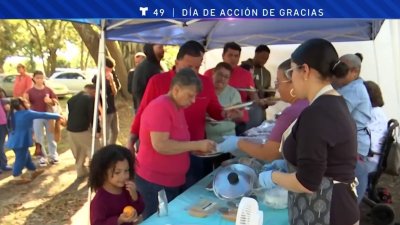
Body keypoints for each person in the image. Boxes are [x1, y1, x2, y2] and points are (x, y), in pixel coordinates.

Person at [258, 38, 359, 225]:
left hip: (329, 213)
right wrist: (286, 166)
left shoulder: (317, 113)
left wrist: (272, 177)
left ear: (304, 70)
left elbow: (306, 182)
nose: (291, 78)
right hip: (341, 206)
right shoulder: (334, 102)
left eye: (292, 71)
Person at [127, 40, 240, 185]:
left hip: (196, 150)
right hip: (164, 158)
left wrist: (227, 114)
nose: (193, 71)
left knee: (191, 192)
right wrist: (131, 140)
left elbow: (215, 110)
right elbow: (142, 113)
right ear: (177, 62)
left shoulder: (204, 83)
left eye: (197, 67)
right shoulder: (158, 82)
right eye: (189, 66)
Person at [134, 68, 216, 219]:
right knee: (158, 221)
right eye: (190, 96)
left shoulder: (176, 107)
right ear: (176, 90)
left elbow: (178, 142)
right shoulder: (160, 107)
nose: (193, 101)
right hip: (155, 183)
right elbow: (161, 145)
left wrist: (193, 150)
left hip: (170, 181)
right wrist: (196, 145)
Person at [217, 59, 309, 161]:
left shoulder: (290, 113)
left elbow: (268, 154)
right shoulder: (311, 102)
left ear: (293, 82)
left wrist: (237, 143)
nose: (276, 87)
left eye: (278, 82)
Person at [333, 53, 372, 203]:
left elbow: (335, 114)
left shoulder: (354, 90)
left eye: (342, 69)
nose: (338, 72)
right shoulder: (349, 85)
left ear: (354, 71)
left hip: (354, 146)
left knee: (348, 190)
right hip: (352, 142)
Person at [6, 97, 61, 184]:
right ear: (21, 105)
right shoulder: (27, 113)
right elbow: (43, 115)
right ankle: (17, 176)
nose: (28, 103)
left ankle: (33, 170)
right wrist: (58, 116)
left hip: (14, 140)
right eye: (26, 102)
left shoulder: (13, 114)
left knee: (26, 156)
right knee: (21, 159)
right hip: (21, 141)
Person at [89, 144, 144, 225]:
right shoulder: (99, 202)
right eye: (117, 172)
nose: (124, 176)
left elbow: (140, 209)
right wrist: (118, 220)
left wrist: (135, 197)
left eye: (126, 170)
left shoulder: (127, 190)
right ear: (103, 173)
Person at [24, 70, 59, 166]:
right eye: (37, 78)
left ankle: (53, 156)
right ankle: (42, 156)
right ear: (34, 79)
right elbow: (25, 103)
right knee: (39, 137)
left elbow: (55, 101)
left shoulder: (48, 89)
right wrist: (27, 103)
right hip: (36, 116)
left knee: (51, 136)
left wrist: (50, 101)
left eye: (41, 77)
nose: (40, 80)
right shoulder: (29, 91)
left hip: (49, 115)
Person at [67, 84, 101, 178]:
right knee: (96, 149)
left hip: (71, 129)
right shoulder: (90, 99)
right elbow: (94, 116)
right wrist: (97, 130)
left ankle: (80, 171)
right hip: (82, 129)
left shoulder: (72, 99)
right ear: (93, 91)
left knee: (79, 151)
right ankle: (96, 172)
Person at [205, 62, 243, 143]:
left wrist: (237, 115)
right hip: (205, 140)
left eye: (226, 77)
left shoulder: (233, 93)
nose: (222, 79)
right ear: (213, 72)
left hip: (228, 139)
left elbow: (239, 117)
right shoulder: (203, 90)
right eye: (220, 74)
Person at [92, 57, 121, 145]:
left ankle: (112, 146)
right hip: (104, 110)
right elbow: (95, 97)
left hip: (112, 108)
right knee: (106, 134)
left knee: (115, 131)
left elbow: (115, 92)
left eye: (111, 69)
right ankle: (105, 150)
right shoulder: (96, 78)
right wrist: (101, 111)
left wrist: (111, 81)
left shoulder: (111, 76)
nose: (110, 70)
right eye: (109, 68)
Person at [364, 80, 388, 173]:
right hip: (374, 159)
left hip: (370, 161)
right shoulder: (378, 112)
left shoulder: (372, 114)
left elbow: (369, 143)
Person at [131, 44, 164, 111]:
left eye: (162, 47)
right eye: (160, 47)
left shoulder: (159, 66)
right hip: (149, 109)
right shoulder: (143, 67)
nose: (162, 50)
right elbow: (137, 91)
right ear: (151, 49)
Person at [0, 93, 11, 173]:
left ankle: (3, 165)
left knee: (1, 145)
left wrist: (8, 108)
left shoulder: (3, 101)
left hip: (3, 125)